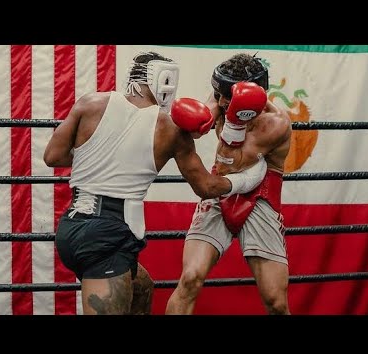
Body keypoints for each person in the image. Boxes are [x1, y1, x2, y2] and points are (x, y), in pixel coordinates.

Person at [43, 51, 267, 315]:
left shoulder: (90, 103)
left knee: (142, 290)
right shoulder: (170, 128)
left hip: (72, 226)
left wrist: (104, 157)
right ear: (165, 80)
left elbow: (53, 156)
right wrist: (248, 179)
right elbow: (206, 188)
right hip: (107, 236)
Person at [166, 53, 292, 315]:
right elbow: (200, 128)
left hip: (261, 195)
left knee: (276, 302)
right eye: (218, 94)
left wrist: (233, 123)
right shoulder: (223, 95)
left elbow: (230, 165)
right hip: (221, 187)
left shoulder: (276, 124)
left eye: (228, 98)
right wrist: (196, 121)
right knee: (190, 278)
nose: (220, 101)